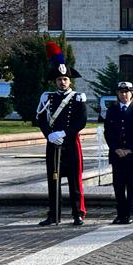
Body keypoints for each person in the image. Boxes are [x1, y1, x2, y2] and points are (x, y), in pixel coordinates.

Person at [37, 43, 87, 226]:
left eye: (65, 79)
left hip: (71, 143)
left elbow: (81, 121)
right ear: (55, 81)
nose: (62, 82)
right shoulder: (47, 98)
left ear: (70, 81)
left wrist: (64, 133)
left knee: (75, 180)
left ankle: (78, 213)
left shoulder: (77, 98)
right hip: (53, 143)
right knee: (53, 179)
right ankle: (54, 214)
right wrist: (49, 135)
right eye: (59, 79)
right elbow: (41, 119)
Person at [104, 81, 133, 224]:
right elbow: (108, 132)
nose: (124, 95)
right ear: (118, 94)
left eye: (126, 92)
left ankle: (130, 212)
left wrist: (128, 149)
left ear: (131, 93)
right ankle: (120, 213)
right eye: (121, 92)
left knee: (131, 183)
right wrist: (116, 148)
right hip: (117, 153)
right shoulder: (112, 110)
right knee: (118, 184)